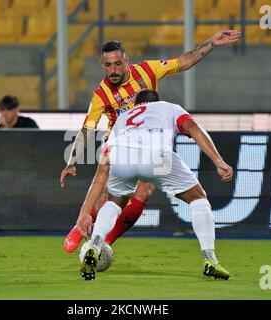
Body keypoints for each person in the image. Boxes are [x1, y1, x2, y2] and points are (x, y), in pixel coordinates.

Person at [61, 30, 241, 254]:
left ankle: (104, 244)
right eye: (108, 65)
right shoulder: (101, 94)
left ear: (126, 61)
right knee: (108, 199)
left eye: (118, 64)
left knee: (144, 192)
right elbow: (87, 129)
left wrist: (211, 43)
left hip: (150, 143)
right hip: (120, 145)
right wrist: (71, 161)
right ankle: (82, 225)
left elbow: (183, 62)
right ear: (102, 64)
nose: (114, 70)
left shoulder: (147, 70)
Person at [76, 89, 233, 281]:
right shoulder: (169, 108)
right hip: (156, 155)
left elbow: (102, 170)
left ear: (136, 106)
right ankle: (210, 260)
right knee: (198, 198)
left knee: (115, 202)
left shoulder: (123, 117)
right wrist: (219, 161)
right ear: (156, 101)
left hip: (120, 156)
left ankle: (96, 243)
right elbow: (192, 127)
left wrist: (85, 212)